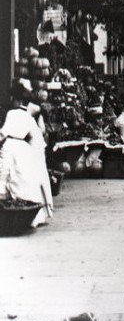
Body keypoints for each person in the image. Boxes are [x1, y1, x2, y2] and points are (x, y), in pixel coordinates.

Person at [0, 82, 53, 226]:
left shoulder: (11, 113)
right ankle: (33, 216)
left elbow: (4, 133)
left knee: (6, 174)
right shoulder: (27, 115)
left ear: (13, 98)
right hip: (24, 147)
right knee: (23, 177)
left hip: (10, 144)